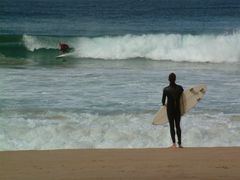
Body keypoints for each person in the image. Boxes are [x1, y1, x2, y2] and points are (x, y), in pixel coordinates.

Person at [162, 73, 184, 148]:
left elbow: (163, 102)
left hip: (170, 110)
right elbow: (183, 99)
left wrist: (165, 105)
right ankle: (180, 144)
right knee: (178, 126)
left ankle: (174, 144)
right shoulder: (180, 88)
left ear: (168, 79)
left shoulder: (165, 89)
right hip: (178, 109)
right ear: (175, 79)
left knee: (172, 126)